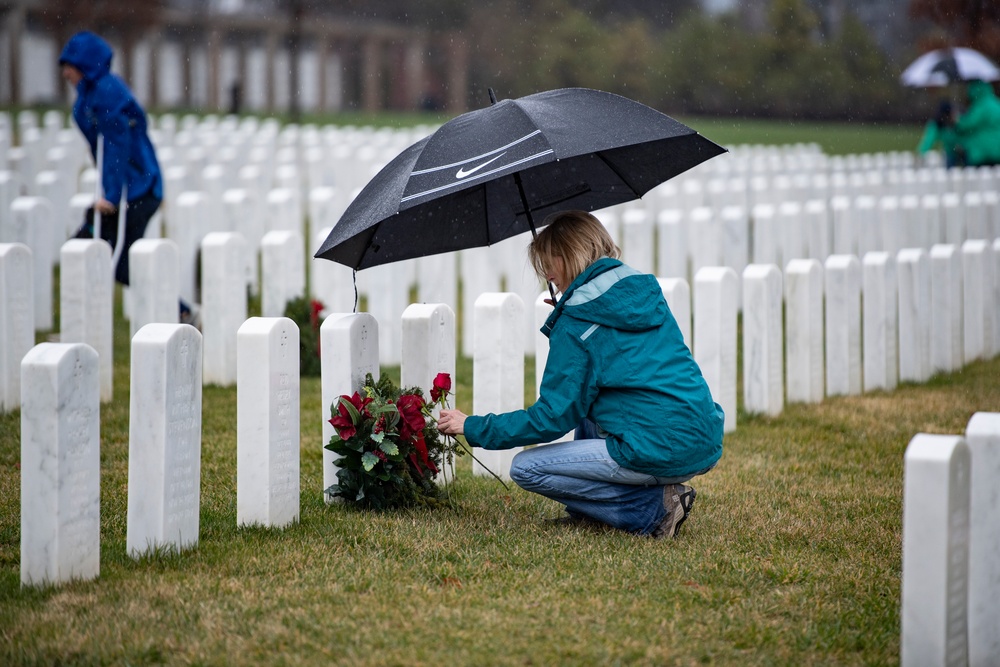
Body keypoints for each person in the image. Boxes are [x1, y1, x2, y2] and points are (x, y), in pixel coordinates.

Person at [437, 210, 724, 539]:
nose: (546, 272)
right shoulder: (640, 292)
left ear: (570, 255)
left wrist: (473, 426)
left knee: (527, 469)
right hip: (703, 439)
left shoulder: (578, 321)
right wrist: (570, 315)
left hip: (655, 447)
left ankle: (652, 509)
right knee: (591, 400)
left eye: (549, 260)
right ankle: (589, 509)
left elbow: (550, 418)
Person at [59, 31, 197, 326]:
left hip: (138, 188)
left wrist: (110, 194)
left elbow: (116, 146)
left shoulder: (107, 93)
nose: (65, 72)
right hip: (127, 188)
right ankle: (81, 326)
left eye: (69, 64)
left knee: (122, 262)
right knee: (88, 249)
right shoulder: (87, 97)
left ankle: (181, 311)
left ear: (84, 63)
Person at [953, 80, 1000, 167]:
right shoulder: (996, 103)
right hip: (997, 150)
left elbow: (968, 124)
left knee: (982, 178)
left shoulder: (980, 106)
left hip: (983, 151)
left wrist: (958, 120)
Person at [917, 100, 959, 168]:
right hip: (951, 154)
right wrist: (921, 154)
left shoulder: (955, 124)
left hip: (961, 153)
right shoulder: (937, 126)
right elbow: (928, 141)